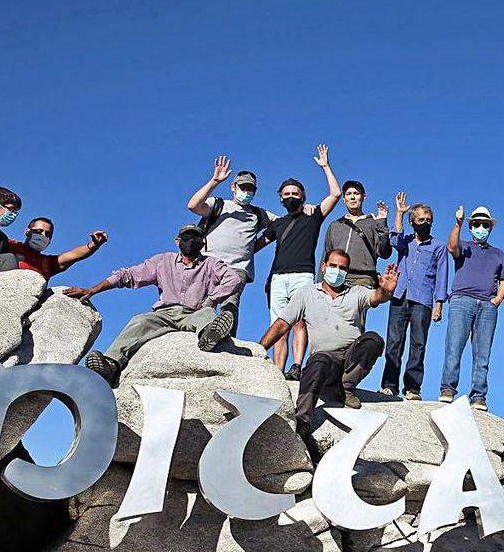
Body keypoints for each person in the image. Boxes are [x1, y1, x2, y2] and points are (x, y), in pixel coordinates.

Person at [64, 224, 243, 384]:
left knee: (208, 315)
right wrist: (93, 290)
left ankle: (210, 336)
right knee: (139, 321)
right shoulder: (163, 261)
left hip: (194, 312)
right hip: (164, 314)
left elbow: (233, 279)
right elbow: (127, 275)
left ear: (202, 243)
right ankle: (110, 365)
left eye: (196, 238)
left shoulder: (211, 263)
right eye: (187, 238)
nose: (192, 241)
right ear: (177, 241)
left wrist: (211, 299)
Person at [258, 250, 399, 433]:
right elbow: (282, 324)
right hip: (324, 361)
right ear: (323, 267)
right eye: (333, 266)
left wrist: (385, 290)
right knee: (319, 361)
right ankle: (302, 423)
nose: (337, 271)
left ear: (347, 272)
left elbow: (375, 297)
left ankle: (345, 387)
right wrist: (259, 349)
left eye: (342, 268)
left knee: (373, 340)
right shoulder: (306, 293)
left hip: (350, 359)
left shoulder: (355, 292)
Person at [253, 144, 342, 380]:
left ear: (302, 196)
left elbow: (335, 195)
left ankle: (297, 366)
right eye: (287, 194)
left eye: (295, 193)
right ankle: (277, 373)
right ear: (280, 198)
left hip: (302, 275)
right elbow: (256, 245)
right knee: (278, 327)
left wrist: (325, 167)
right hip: (278, 278)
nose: (291, 197)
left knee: (299, 322)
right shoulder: (278, 223)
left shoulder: (312, 216)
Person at [186, 156, 278, 334]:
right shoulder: (219, 205)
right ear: (233, 187)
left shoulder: (258, 214)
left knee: (230, 304)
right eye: (243, 187)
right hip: (209, 264)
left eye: (250, 188)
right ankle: (200, 336)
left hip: (237, 268)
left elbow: (283, 224)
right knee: (202, 304)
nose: (246, 191)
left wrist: (255, 246)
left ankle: (226, 340)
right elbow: (193, 206)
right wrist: (214, 181)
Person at [439, 206, 504, 411]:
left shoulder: (498, 253)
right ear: (470, 227)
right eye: (476, 224)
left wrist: (497, 301)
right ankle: (447, 390)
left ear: (490, 228)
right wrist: (458, 224)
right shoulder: (464, 245)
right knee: (454, 347)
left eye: (485, 225)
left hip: (487, 306)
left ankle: (478, 396)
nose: (481, 228)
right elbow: (451, 247)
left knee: (483, 353)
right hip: (462, 301)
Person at [379, 192, 448, 400]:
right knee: (393, 343)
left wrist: (439, 304)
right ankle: (389, 385)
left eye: (428, 220)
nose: (425, 223)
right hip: (400, 297)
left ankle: (412, 388)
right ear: (412, 222)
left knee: (418, 344)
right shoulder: (406, 242)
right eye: (420, 219)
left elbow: (442, 276)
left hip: (423, 300)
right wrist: (399, 214)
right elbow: (393, 240)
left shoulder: (439, 247)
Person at [321, 179, 392, 288]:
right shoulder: (335, 225)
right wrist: (320, 283)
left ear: (363, 197)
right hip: (335, 278)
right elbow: (325, 256)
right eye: (349, 194)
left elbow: (384, 253)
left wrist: (382, 223)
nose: (353, 197)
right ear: (344, 199)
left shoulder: (373, 223)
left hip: (362, 280)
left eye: (356, 193)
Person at [6, 217, 108, 281]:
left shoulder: (47, 263)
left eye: (48, 234)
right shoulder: (9, 245)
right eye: (39, 231)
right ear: (27, 232)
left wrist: (94, 244)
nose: (43, 236)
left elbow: (74, 255)